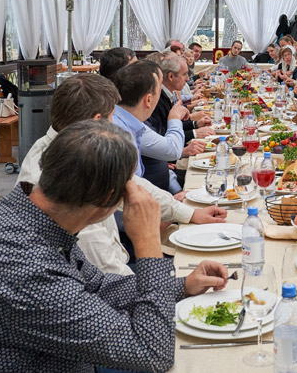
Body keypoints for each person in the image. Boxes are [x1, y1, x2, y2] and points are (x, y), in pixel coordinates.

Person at [0, 120, 229, 373]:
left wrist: (182, 286)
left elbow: (97, 286)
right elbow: (152, 353)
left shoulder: (31, 211)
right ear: (110, 198)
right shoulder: (24, 265)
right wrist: (147, 244)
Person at [17, 74, 224, 277]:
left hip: (113, 271)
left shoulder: (70, 149)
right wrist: (149, 241)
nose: (115, 122)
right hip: (108, 282)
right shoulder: (63, 176)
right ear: (97, 120)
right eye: (112, 116)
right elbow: (108, 275)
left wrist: (189, 213)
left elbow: (133, 183)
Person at [143, 52, 212, 193]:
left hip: (165, 169)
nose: (188, 79)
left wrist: (194, 125)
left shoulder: (168, 94)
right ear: (170, 76)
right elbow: (164, 136)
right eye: (185, 74)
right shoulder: (158, 100)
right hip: (161, 182)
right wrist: (192, 132)